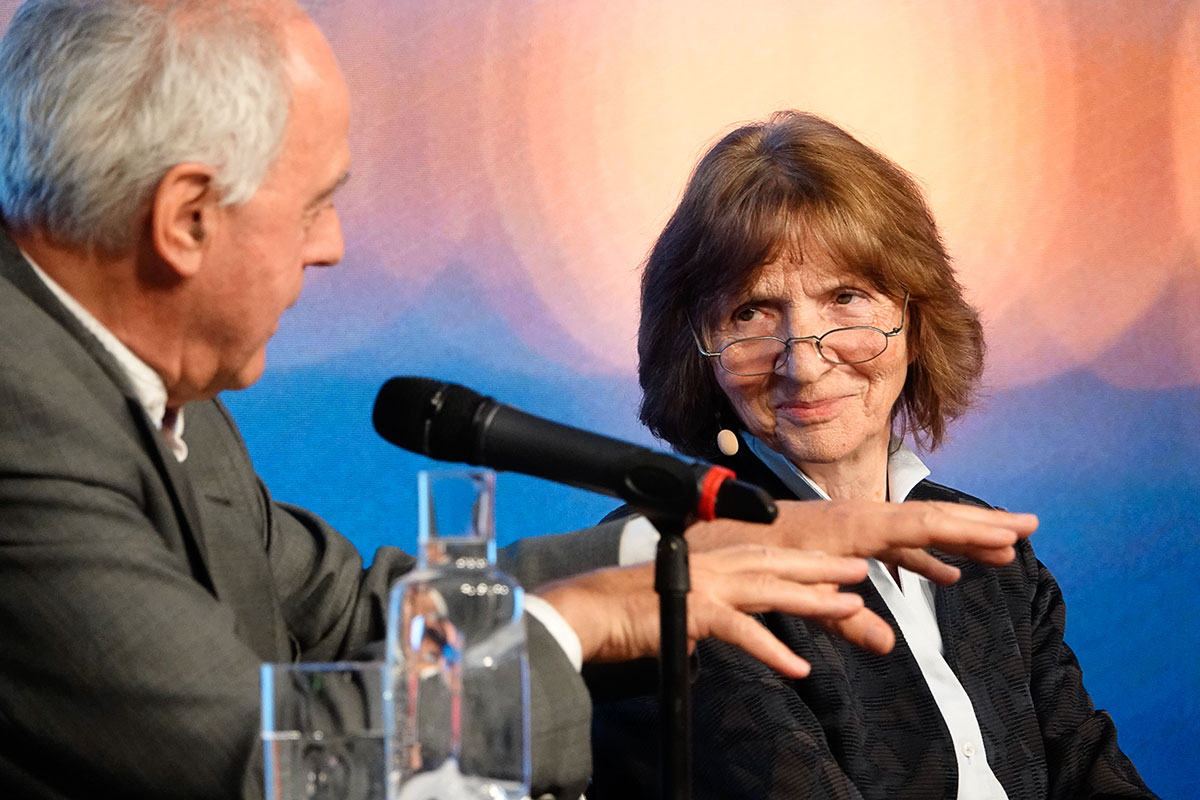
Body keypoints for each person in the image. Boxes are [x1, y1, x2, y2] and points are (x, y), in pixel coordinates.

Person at [0, 3, 1039, 799]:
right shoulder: (20, 411)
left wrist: (659, 560)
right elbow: (255, 757)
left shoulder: (157, 388)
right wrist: (570, 624)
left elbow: (357, 616)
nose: (333, 244)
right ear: (186, 217)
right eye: (316, 203)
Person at [589, 111, 1157, 799]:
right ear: (698, 350)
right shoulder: (676, 560)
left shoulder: (990, 557)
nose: (804, 361)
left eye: (846, 297)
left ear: (915, 322)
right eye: (751, 313)